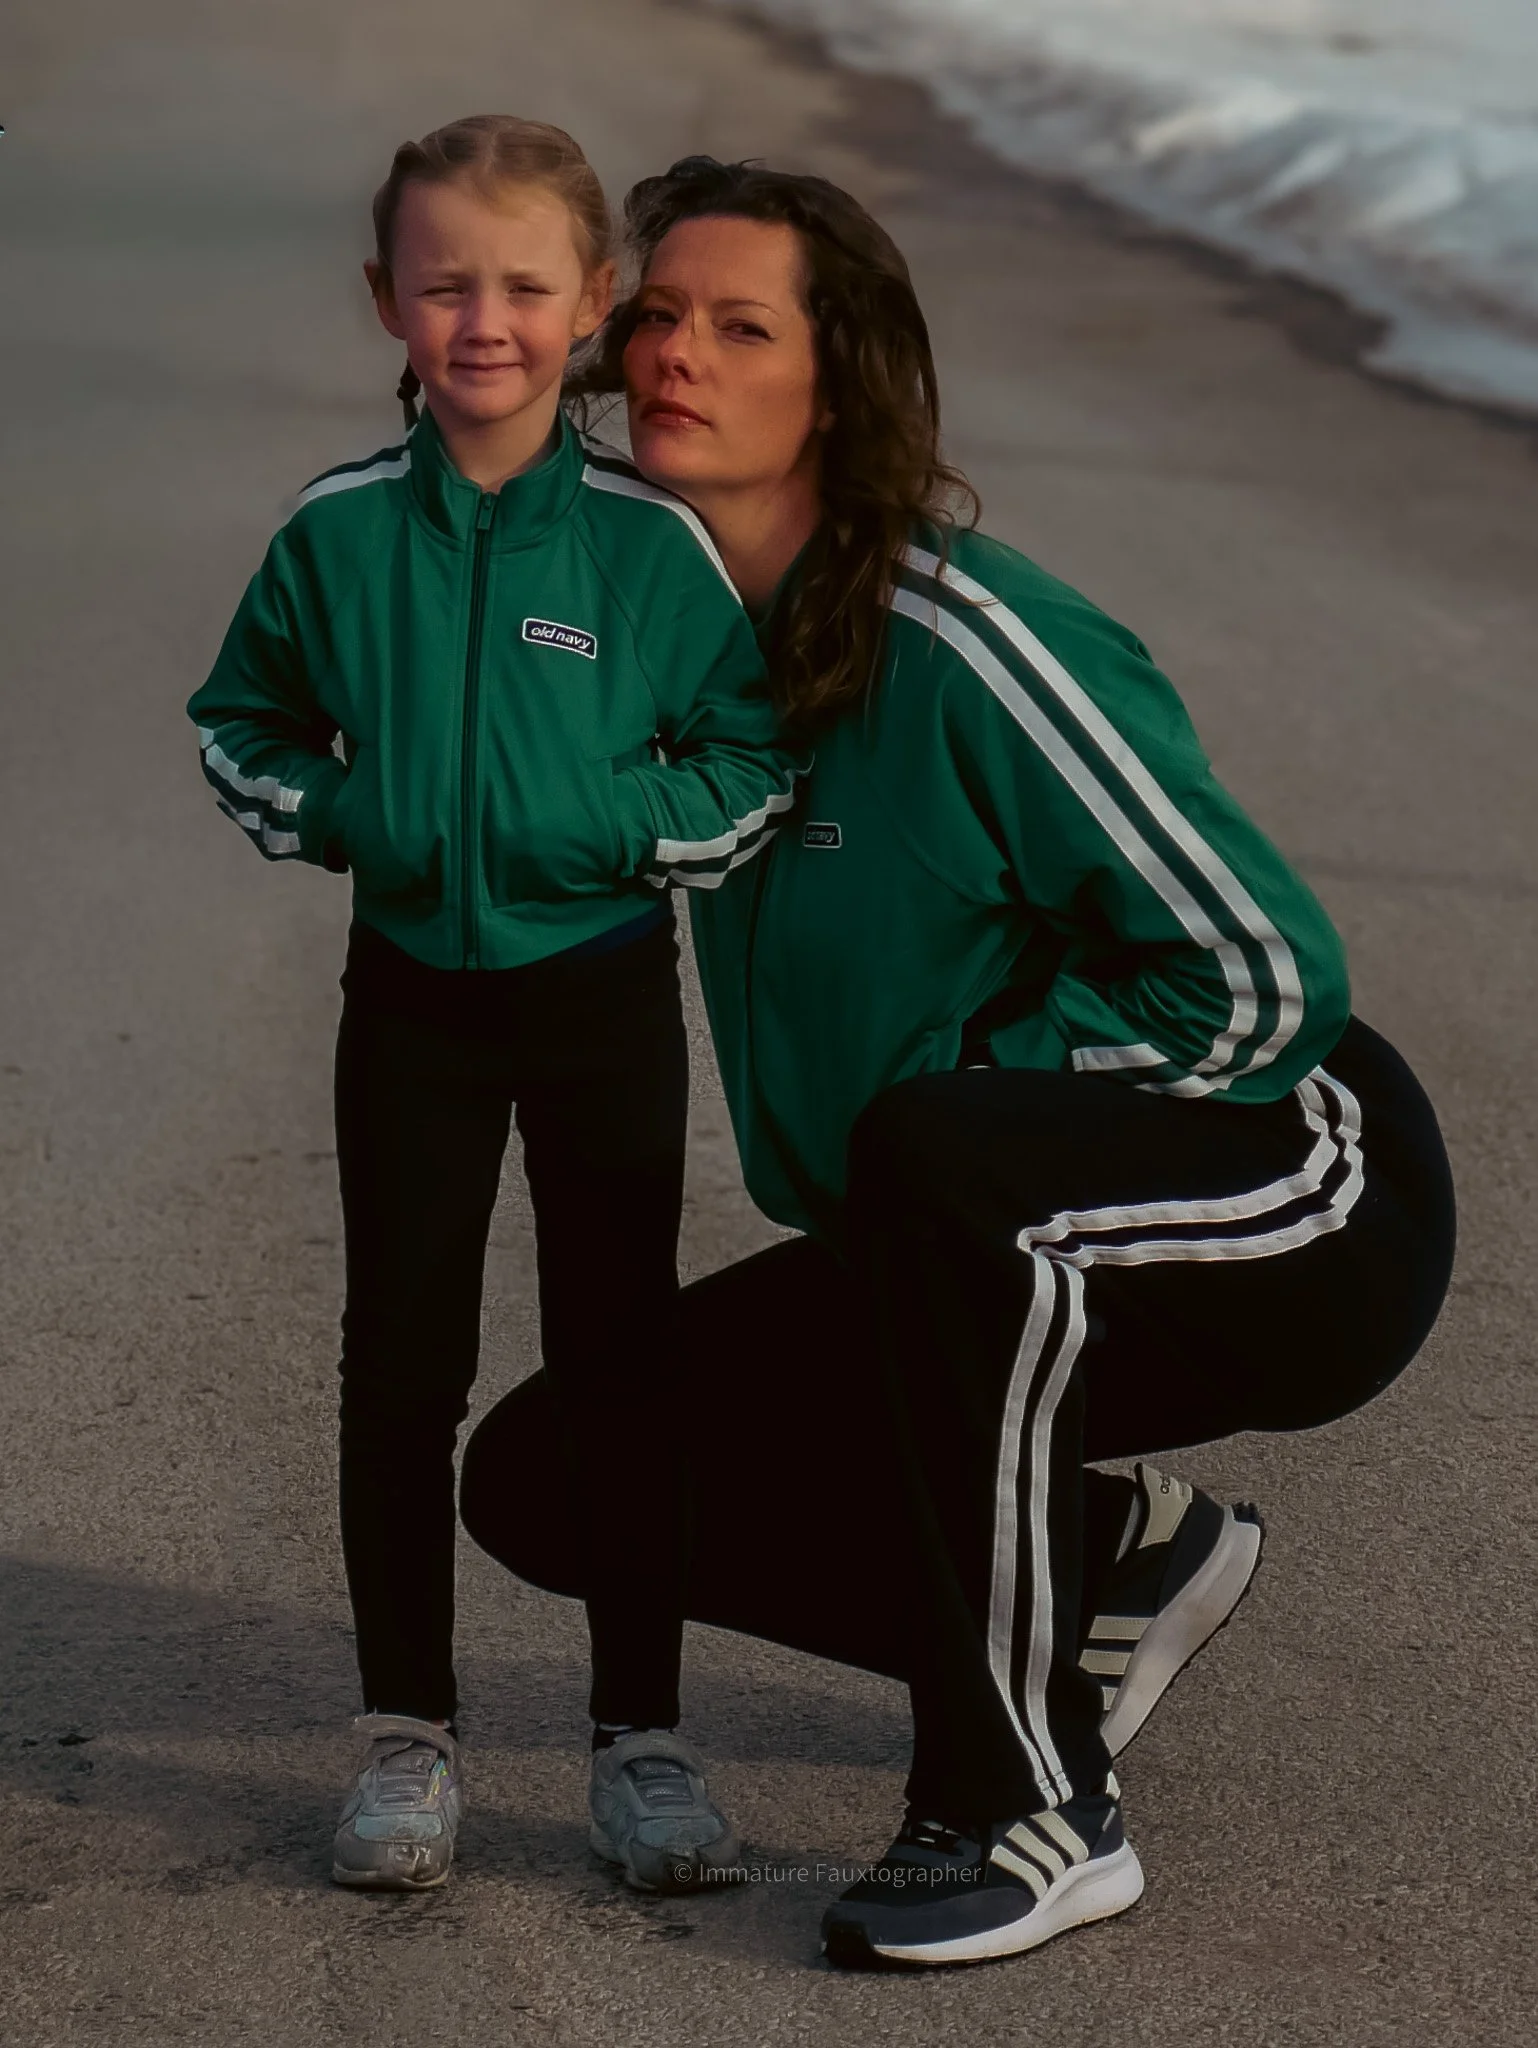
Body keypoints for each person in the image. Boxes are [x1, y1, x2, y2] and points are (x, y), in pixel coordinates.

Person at [460, 158, 1455, 1967]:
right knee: (553, 1476)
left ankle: (1025, 1800)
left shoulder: (961, 638)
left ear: (839, 384)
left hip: (1294, 1186)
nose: (680, 353)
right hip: (958, 1228)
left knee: (941, 1163)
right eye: (659, 317)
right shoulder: (675, 666)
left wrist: (990, 1095)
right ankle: (1106, 1563)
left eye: (740, 325)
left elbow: (1259, 976)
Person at [185, 121, 804, 1896]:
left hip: (601, 994)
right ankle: (406, 1737)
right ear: (385, 301)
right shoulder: (335, 535)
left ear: (592, 307)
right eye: (445, 283)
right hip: (413, 1008)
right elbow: (242, 722)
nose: (485, 320)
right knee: (401, 1369)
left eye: (525, 286)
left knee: (625, 1362)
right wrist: (344, 813)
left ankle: (644, 1742)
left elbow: (747, 750)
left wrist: (622, 825)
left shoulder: (643, 547)